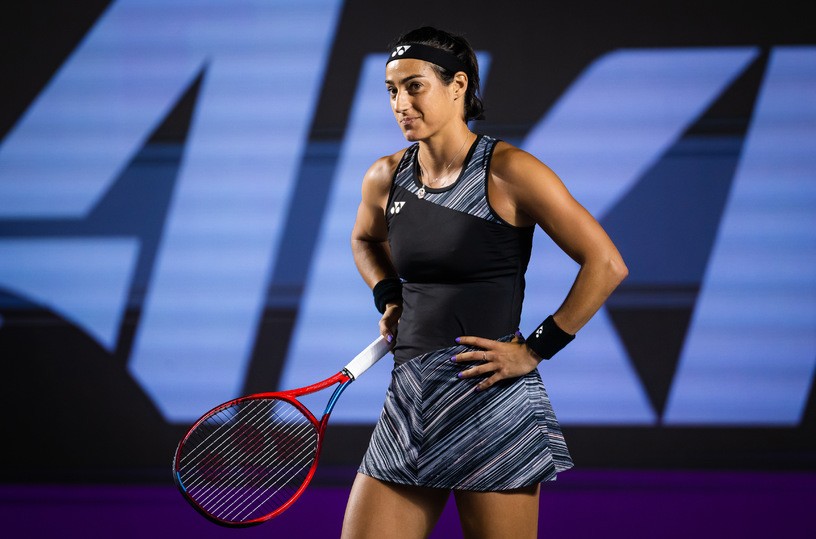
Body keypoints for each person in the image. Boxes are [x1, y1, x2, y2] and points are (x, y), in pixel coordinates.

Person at [342, 26, 628, 538]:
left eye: (414, 86)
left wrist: (534, 350)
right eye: (391, 90)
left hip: (490, 403)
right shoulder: (385, 176)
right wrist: (390, 297)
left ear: (457, 86)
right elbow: (364, 239)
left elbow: (605, 263)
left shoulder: (510, 171)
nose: (400, 103)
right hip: (411, 402)